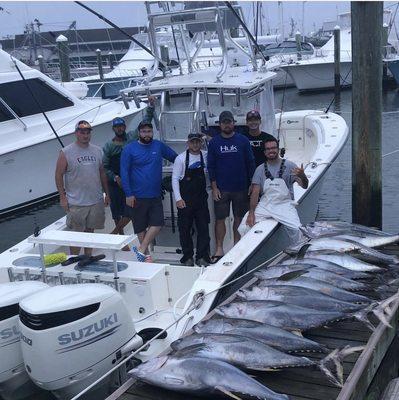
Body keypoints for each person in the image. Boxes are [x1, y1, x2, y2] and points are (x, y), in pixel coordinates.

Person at [121, 121, 177, 262]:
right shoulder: (129, 149)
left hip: (155, 194)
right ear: (139, 133)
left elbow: (176, 158)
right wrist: (128, 193)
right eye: (144, 131)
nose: (147, 134)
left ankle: (141, 249)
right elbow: (124, 173)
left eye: (149, 131)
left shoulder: (158, 146)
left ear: (153, 132)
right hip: (136, 195)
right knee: (140, 226)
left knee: (157, 223)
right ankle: (146, 255)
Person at [55, 120, 110, 255]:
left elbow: (102, 173)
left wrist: (107, 194)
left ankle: (88, 258)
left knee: (90, 232)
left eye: (87, 132)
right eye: (82, 132)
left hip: (96, 200)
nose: (85, 135)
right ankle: (74, 259)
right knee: (77, 236)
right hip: (76, 202)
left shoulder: (97, 150)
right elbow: (58, 175)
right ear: (76, 133)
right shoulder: (66, 152)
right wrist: (62, 197)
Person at [103, 96, 156, 237]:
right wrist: (115, 178)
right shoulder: (108, 146)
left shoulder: (133, 137)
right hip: (115, 182)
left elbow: (145, 122)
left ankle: (114, 233)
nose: (119, 128)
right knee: (116, 211)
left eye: (121, 126)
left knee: (131, 209)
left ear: (125, 127)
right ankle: (119, 235)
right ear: (113, 129)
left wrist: (150, 106)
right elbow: (105, 166)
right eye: (117, 127)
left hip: (131, 181)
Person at [207, 110, 255, 263]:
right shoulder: (214, 142)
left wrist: (252, 184)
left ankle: (237, 246)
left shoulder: (243, 140)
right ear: (220, 124)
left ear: (233, 123)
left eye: (229, 122)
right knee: (220, 219)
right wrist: (214, 187)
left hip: (241, 187)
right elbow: (211, 166)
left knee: (239, 218)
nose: (227, 124)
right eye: (224, 122)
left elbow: (250, 163)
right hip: (222, 189)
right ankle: (219, 248)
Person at [240, 137, 308, 243]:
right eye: (268, 149)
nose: (271, 151)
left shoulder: (290, 166)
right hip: (265, 204)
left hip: (284, 204)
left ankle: (298, 251)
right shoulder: (260, 169)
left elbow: (304, 186)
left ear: (278, 149)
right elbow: (255, 192)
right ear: (264, 152)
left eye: (273, 148)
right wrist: (251, 212)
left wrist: (302, 176)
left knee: (297, 229)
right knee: (243, 227)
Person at [172, 133, 211, 267]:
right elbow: (175, 179)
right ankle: (187, 256)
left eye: (198, 142)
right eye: (192, 142)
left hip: (201, 199)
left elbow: (215, 148)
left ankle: (202, 256)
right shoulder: (180, 159)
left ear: (201, 143)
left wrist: (207, 137)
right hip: (185, 200)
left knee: (203, 229)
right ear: (188, 143)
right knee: (184, 230)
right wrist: (178, 198)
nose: (195, 144)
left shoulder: (206, 155)